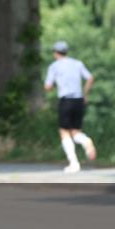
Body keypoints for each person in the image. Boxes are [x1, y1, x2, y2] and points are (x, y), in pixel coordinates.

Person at [43, 41, 96, 173]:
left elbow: (48, 87)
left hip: (65, 100)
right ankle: (85, 141)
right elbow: (90, 78)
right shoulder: (77, 63)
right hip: (78, 100)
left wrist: (55, 85)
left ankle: (74, 163)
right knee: (76, 131)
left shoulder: (54, 66)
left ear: (55, 53)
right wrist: (85, 95)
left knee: (64, 132)